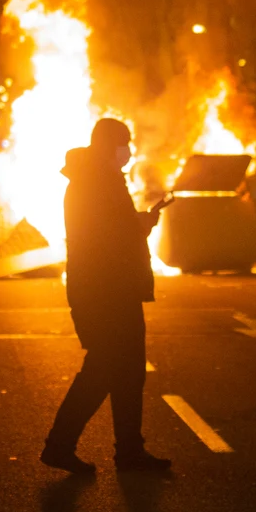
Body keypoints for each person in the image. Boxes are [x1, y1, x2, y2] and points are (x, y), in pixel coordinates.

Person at [42, 118, 175, 474]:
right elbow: (108, 237)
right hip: (106, 291)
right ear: (106, 144)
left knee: (125, 372)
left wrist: (137, 225)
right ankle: (64, 445)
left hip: (111, 288)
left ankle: (125, 450)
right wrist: (141, 226)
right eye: (123, 142)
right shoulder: (96, 181)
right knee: (105, 370)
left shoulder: (97, 178)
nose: (128, 150)